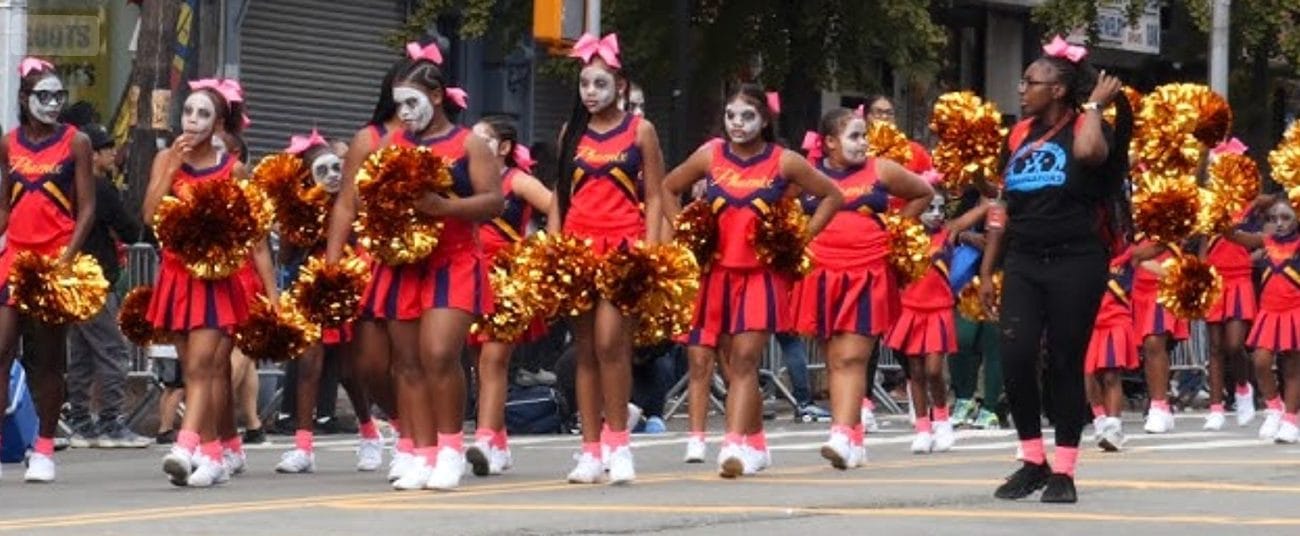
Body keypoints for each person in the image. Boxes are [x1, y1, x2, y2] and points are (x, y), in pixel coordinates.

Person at [328, 41, 500, 492]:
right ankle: (420, 451)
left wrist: (444, 206)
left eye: (413, 102)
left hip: (453, 259)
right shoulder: (389, 143)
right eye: (398, 103)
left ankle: (450, 447)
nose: (404, 112)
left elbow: (494, 202)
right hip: (401, 261)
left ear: (438, 97)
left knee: (440, 354)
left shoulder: (469, 144)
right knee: (405, 362)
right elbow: (363, 198)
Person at [663, 84, 844, 478]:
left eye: (747, 116)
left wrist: (800, 238)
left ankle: (733, 445)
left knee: (745, 359)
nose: (738, 124)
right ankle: (758, 442)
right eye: (731, 116)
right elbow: (668, 186)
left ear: (764, 120)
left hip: (762, 276)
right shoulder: (711, 155)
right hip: (718, 274)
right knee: (731, 362)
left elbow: (832, 195)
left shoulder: (784, 161)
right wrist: (685, 232)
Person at [979, 37, 1130, 504]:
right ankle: (1031, 460)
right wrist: (987, 270)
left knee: (1066, 361)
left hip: (1076, 258)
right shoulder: (1019, 134)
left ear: (1060, 90)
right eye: (1022, 81)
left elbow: (1087, 155)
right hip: (1024, 258)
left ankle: (1063, 469)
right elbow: (1004, 203)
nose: (1022, 89)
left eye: (1032, 82)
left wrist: (1094, 106)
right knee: (1017, 357)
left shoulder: (1090, 127)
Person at [146, 78, 278, 487]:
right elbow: (149, 216)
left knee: (206, 365)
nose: (192, 120)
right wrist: (169, 168)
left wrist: (272, 295)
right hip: (177, 276)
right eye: (188, 112)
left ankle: (185, 447)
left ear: (219, 124)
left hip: (221, 280)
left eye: (203, 114)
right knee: (196, 368)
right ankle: (215, 454)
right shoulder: (167, 160)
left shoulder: (233, 171)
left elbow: (256, 239)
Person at [791, 106, 931, 469]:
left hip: (867, 271)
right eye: (854, 136)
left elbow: (922, 192)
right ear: (830, 143)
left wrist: (897, 229)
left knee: (853, 356)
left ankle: (839, 433)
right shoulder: (809, 175)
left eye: (864, 136)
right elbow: (780, 205)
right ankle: (853, 438)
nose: (863, 143)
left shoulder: (879, 169)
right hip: (822, 273)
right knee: (835, 358)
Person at [554, 33, 667, 485]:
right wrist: (556, 247)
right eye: (585, 84)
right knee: (583, 351)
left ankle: (619, 443)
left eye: (599, 84)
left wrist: (651, 249)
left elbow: (656, 195)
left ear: (619, 85)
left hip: (622, 248)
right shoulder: (571, 132)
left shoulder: (640, 131)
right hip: (578, 249)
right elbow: (561, 195)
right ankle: (589, 449)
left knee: (610, 345)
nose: (591, 93)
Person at [0, 58, 97, 483]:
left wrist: (68, 256)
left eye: (59, 96)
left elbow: (88, 207)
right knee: (0, 350)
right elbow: (6, 203)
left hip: (54, 261)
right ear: (25, 99)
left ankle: (43, 447)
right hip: (14, 260)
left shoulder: (77, 143)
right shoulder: (8, 143)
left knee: (47, 360)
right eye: (44, 96)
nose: (53, 103)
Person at [273, 131, 383, 475]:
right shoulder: (302, 204)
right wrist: (302, 211)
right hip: (311, 286)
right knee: (308, 365)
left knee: (352, 371)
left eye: (337, 168)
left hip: (350, 280)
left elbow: (360, 233)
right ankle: (303, 446)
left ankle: (369, 433)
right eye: (324, 170)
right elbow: (287, 255)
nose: (333, 176)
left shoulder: (351, 198)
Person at [325, 57, 408, 482]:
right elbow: (345, 203)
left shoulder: (447, 140)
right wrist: (333, 261)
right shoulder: (368, 138)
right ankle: (402, 425)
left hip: (423, 262)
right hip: (371, 261)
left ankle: (427, 442)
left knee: (421, 360)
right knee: (369, 366)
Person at [464, 115, 558, 477]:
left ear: (503, 148)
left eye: (483, 140)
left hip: (506, 277)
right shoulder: (465, 181)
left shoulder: (517, 180)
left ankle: (485, 438)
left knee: (493, 361)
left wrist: (542, 251)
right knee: (477, 363)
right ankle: (500, 445)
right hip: (470, 275)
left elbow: (556, 208)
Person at [64, 122, 150, 449]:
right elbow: (129, 230)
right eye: (107, 148)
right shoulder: (99, 187)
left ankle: (81, 420)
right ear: (93, 155)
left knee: (82, 354)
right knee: (113, 350)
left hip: (72, 279)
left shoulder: (68, 185)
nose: (113, 153)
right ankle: (112, 421)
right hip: (96, 279)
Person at [888, 191, 986, 455]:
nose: (936, 213)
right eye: (929, 207)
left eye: (941, 208)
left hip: (939, 309)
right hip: (910, 308)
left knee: (933, 370)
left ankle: (942, 421)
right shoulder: (904, 233)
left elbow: (978, 211)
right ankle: (922, 427)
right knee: (915, 371)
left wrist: (992, 193)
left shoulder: (949, 233)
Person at [1237, 197, 1300, 442]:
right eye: (1273, 218)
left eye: (1286, 218)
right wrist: (1250, 206)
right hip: (1269, 313)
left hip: (1294, 311)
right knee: (1260, 361)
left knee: (1293, 368)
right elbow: (1230, 234)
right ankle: (1275, 407)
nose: (1279, 223)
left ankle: (1291, 420)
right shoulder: (1265, 241)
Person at [1085, 240, 1158, 452]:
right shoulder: (1083, 257)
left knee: (1110, 375)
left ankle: (1114, 426)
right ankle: (1100, 421)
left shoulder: (1127, 255)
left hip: (1116, 320)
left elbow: (1153, 251)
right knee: (1089, 376)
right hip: (1089, 322)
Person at [1200, 194, 1265, 430]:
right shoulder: (1210, 208)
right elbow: (1204, 245)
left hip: (1239, 279)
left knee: (1235, 345)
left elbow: (1264, 240)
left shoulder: (1251, 205)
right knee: (1215, 348)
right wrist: (1199, 273)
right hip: (1215, 279)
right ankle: (1216, 408)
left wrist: (1255, 200)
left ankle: (1243, 388)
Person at [1132, 234, 1189, 434]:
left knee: (1154, 342)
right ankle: (1160, 402)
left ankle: (1158, 405)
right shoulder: (1124, 214)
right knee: (1147, 350)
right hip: (1135, 287)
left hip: (1164, 285)